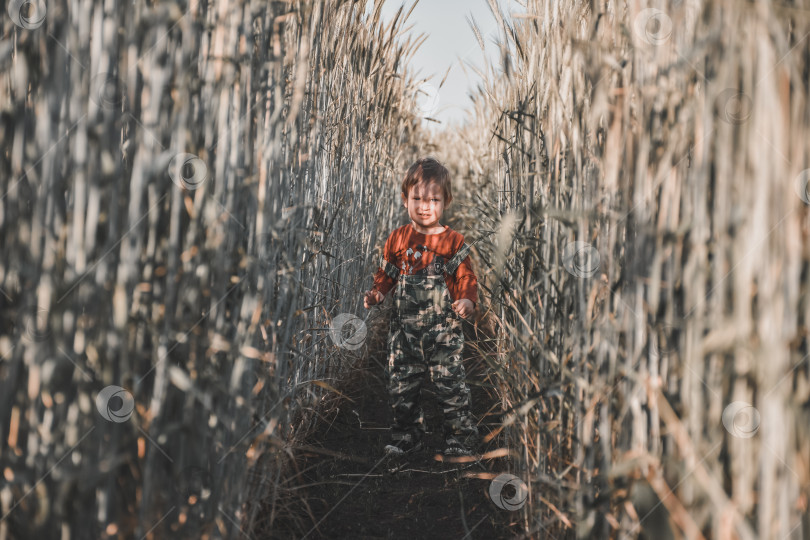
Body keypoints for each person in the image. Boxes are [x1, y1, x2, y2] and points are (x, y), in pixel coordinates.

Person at [363, 157, 480, 457]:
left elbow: (465, 275)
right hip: (405, 335)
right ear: (405, 200)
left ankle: (460, 437)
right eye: (417, 198)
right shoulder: (398, 238)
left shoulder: (453, 241)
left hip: (444, 333)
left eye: (433, 199)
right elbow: (387, 273)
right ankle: (407, 434)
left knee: (451, 386)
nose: (424, 206)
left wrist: (466, 299)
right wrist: (377, 294)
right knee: (401, 387)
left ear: (446, 202)